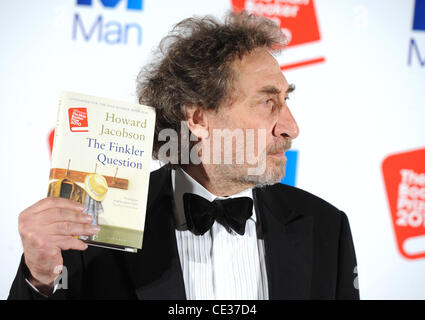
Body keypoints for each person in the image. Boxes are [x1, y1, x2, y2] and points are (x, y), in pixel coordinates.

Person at [8, 11, 359, 300]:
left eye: (286, 100)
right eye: (268, 102)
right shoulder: (95, 223)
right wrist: (39, 278)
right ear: (198, 118)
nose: (290, 127)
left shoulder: (327, 227)